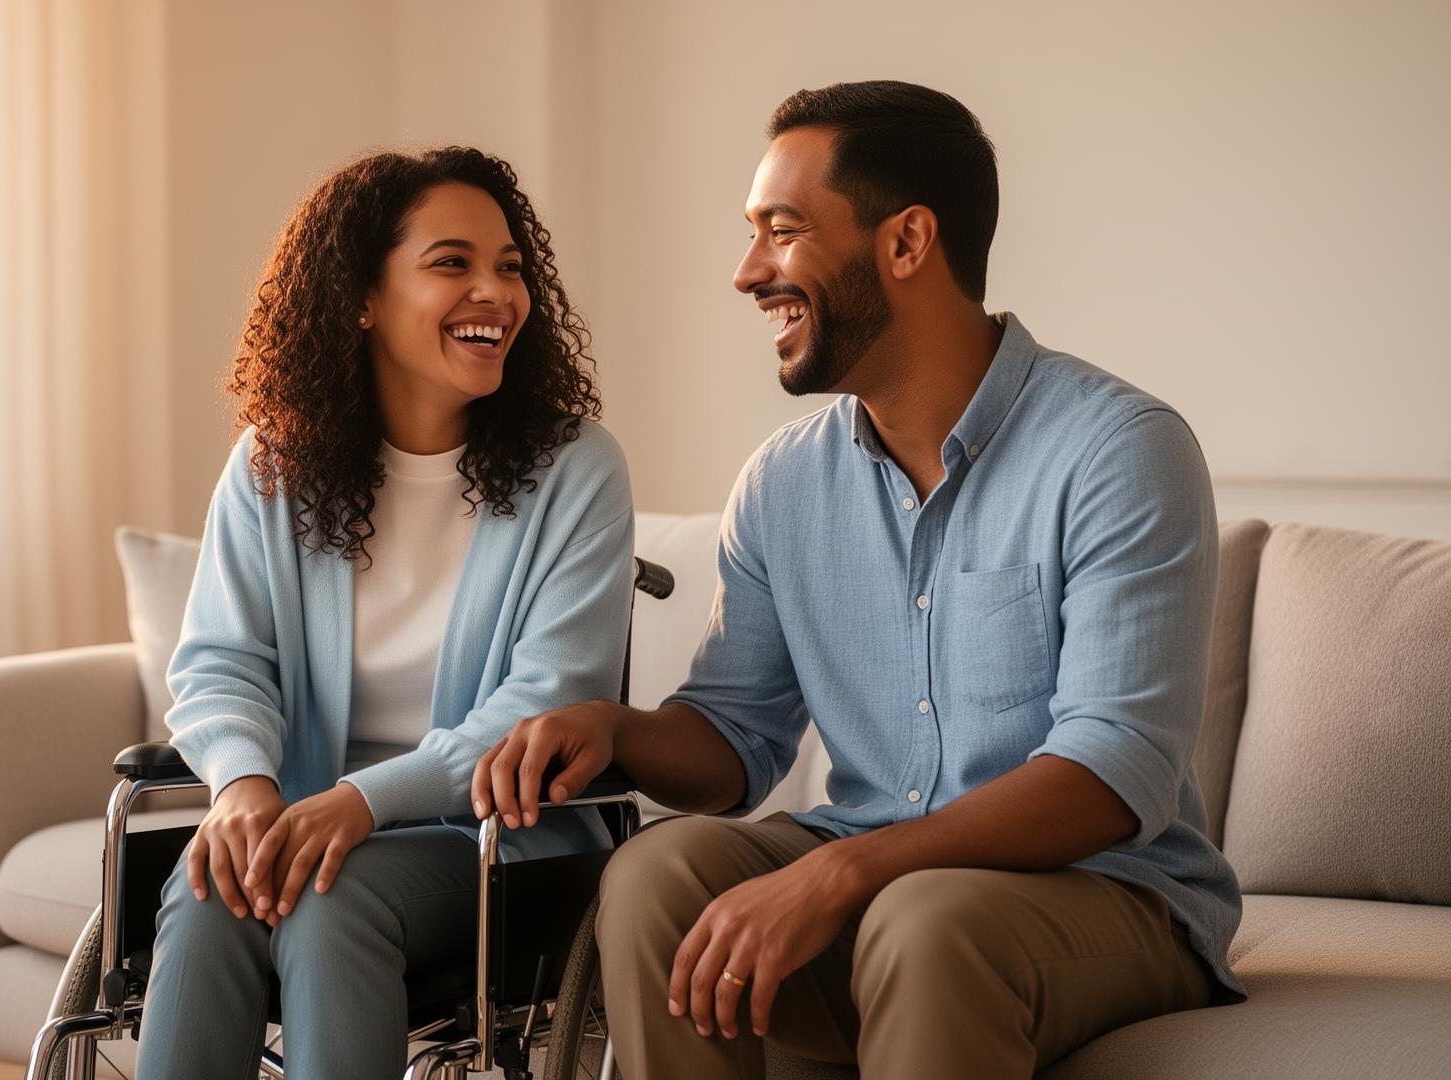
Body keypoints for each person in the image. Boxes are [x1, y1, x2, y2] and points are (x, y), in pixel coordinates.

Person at [473, 81, 1242, 1079]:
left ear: (908, 242)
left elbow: (1113, 774)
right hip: (886, 887)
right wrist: (614, 730)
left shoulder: (1118, 450)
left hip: (1105, 891)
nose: (748, 272)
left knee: (926, 920)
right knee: (660, 871)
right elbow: (736, 740)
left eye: (782, 233)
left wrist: (843, 871)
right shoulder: (784, 482)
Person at [133, 146, 635, 1080]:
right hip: (305, 820)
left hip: (497, 845)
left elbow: (545, 703)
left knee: (331, 896)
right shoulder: (271, 466)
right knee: (207, 890)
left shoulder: (577, 470)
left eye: (511, 267)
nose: (496, 291)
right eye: (453, 263)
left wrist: (363, 803)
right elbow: (219, 664)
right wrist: (244, 787)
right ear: (362, 296)